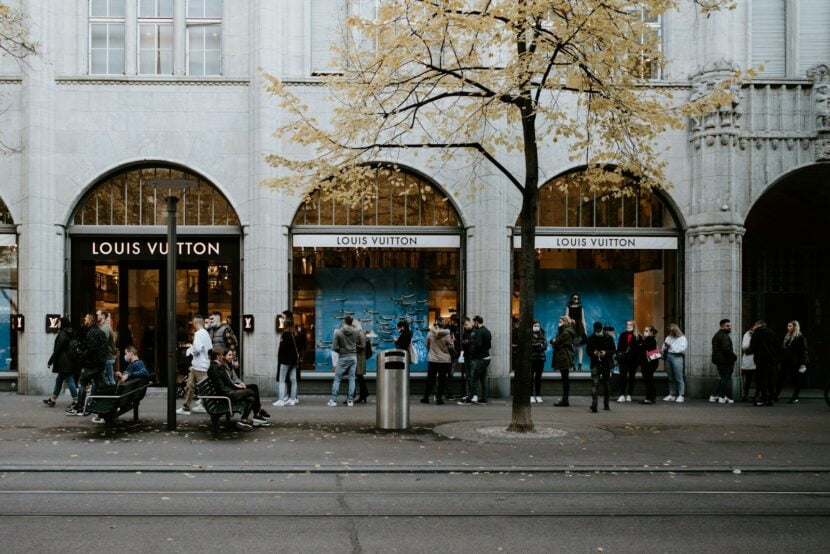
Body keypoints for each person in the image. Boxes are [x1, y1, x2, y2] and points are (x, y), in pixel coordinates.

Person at [207, 346, 268, 431]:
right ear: (217, 356)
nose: (222, 357)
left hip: (226, 393)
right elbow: (227, 383)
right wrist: (237, 387)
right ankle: (255, 415)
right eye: (221, 355)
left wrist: (237, 386)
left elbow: (227, 382)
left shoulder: (214, 366)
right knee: (251, 391)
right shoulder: (218, 367)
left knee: (251, 397)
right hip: (227, 394)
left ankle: (244, 420)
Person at [66, 313, 108, 416]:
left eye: (86, 319)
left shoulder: (91, 333)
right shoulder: (100, 332)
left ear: (90, 321)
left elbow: (91, 349)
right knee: (100, 385)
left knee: (83, 382)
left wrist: (81, 355)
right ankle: (105, 404)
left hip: (91, 364)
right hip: (99, 364)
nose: (84, 320)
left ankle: (80, 408)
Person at [177, 316, 212, 415]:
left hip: (199, 365)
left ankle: (202, 405)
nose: (193, 325)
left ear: (196, 323)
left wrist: (191, 350)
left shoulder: (198, 333)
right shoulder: (205, 333)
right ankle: (187, 407)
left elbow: (197, 348)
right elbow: (209, 347)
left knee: (197, 387)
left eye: (193, 323)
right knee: (190, 386)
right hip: (202, 364)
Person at [328, 315, 363, 407]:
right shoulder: (356, 332)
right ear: (351, 322)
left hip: (343, 357)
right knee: (352, 379)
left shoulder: (337, 332)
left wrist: (342, 350)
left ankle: (334, 400)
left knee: (337, 379)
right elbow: (358, 343)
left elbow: (334, 347)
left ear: (344, 321)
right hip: (353, 357)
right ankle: (350, 401)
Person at [44, 316, 78, 409]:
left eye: (59, 322)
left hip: (64, 362)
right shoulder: (71, 332)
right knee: (59, 380)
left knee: (70, 380)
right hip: (68, 360)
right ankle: (52, 399)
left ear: (63, 323)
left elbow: (58, 349)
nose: (58, 324)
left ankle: (76, 401)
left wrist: (50, 361)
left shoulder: (63, 334)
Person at [775, 320, 809, 404]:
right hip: (785, 361)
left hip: (795, 362)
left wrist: (803, 363)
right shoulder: (786, 337)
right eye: (788, 326)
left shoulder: (800, 338)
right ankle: (775, 395)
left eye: (790, 326)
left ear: (795, 327)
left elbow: (804, 351)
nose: (788, 328)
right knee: (780, 378)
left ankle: (795, 397)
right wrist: (780, 360)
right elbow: (783, 350)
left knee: (795, 380)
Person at [459, 315, 491, 404]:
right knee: (482, 377)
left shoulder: (479, 331)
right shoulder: (486, 331)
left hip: (477, 358)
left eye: (466, 324)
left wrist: (470, 344)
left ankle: (472, 396)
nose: (465, 326)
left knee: (474, 378)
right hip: (483, 357)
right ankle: (483, 397)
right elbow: (488, 345)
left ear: (476, 322)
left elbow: (478, 345)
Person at [586, 322, 615, 412]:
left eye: (599, 331)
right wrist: (593, 353)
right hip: (595, 363)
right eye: (596, 331)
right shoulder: (591, 338)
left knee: (606, 384)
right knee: (595, 383)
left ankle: (606, 404)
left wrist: (605, 352)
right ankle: (594, 404)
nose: (598, 332)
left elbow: (614, 350)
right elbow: (588, 351)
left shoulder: (609, 338)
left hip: (606, 363)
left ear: (602, 329)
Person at [422, 318, 453, 404]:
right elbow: (450, 346)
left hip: (433, 359)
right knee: (442, 380)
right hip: (444, 360)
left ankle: (426, 397)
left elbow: (426, 344)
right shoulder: (447, 334)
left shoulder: (430, 333)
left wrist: (432, 349)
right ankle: (439, 399)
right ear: (443, 324)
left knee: (430, 379)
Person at [749, 320, 777, 406]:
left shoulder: (756, 332)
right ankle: (771, 398)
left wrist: (749, 351)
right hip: (771, 358)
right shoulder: (771, 332)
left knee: (762, 379)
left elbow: (753, 346)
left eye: (756, 324)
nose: (755, 326)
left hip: (761, 358)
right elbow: (776, 345)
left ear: (759, 325)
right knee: (770, 379)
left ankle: (764, 398)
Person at [710, 319, 737, 404]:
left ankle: (714, 396)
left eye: (730, 325)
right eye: (727, 326)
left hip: (720, 360)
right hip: (725, 361)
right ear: (722, 326)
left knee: (723, 379)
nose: (729, 327)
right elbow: (726, 349)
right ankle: (722, 397)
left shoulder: (718, 335)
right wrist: (734, 356)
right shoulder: (723, 336)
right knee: (725, 379)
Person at [274, 318, 300, 407]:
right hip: (293, 361)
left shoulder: (285, 334)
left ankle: (281, 400)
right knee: (293, 380)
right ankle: (293, 399)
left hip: (285, 361)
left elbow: (282, 349)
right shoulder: (293, 334)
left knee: (282, 380)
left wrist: (279, 359)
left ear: (285, 325)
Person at [551, 315, 576, 407]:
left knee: (565, 379)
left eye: (560, 321)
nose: (559, 323)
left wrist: (553, 341)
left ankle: (565, 399)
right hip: (565, 356)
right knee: (565, 378)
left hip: (564, 357)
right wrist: (554, 341)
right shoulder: (566, 331)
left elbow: (556, 342)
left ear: (565, 322)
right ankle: (565, 398)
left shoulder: (566, 332)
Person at [616, 320, 642, 403]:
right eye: (627, 324)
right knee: (622, 377)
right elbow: (619, 347)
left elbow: (640, 350)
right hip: (623, 360)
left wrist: (638, 361)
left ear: (634, 326)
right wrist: (617, 358)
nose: (628, 326)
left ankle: (629, 395)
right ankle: (622, 394)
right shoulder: (623, 335)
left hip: (633, 360)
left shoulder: (638, 336)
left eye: (630, 324)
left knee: (631, 377)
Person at [662, 323, 687, 403]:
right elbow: (663, 347)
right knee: (670, 376)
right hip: (669, 356)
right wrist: (666, 346)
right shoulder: (669, 337)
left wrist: (671, 346)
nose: (671, 333)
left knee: (679, 376)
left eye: (672, 331)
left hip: (677, 357)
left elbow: (681, 349)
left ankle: (681, 395)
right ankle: (672, 394)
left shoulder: (682, 338)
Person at [565, 293, 586, 371]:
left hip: (580, 328)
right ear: (572, 299)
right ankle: (572, 364)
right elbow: (566, 319)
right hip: (571, 328)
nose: (576, 300)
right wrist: (570, 321)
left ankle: (580, 365)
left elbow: (583, 319)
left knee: (580, 347)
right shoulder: (568, 308)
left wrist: (585, 330)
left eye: (577, 298)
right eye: (574, 298)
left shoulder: (581, 308)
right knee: (572, 346)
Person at [640, 326, 660, 404]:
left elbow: (643, 348)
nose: (645, 332)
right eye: (644, 330)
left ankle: (650, 398)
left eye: (647, 330)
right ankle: (651, 397)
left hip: (649, 362)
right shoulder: (653, 339)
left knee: (648, 380)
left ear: (651, 332)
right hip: (652, 361)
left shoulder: (650, 339)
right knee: (649, 379)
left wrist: (640, 345)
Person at [96, 309, 116, 385]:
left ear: (103, 316)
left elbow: (102, 344)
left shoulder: (105, 328)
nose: (96, 316)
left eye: (97, 315)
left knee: (109, 378)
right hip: (106, 357)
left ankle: (114, 394)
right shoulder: (101, 327)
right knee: (107, 378)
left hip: (107, 358)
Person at [740, 323, 758, 402]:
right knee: (748, 379)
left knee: (759, 379)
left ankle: (757, 395)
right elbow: (744, 346)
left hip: (757, 359)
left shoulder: (760, 334)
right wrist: (753, 342)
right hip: (749, 359)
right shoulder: (747, 334)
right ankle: (746, 395)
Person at [530, 320, 547, 403]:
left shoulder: (542, 334)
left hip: (540, 359)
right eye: (535, 325)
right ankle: (530, 395)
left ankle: (538, 395)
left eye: (538, 325)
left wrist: (537, 346)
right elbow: (529, 346)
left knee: (538, 378)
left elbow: (545, 346)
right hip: (531, 359)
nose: (537, 327)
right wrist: (538, 345)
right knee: (530, 378)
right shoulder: (529, 334)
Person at [354, 320, 370, 404]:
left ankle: (363, 395)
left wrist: (353, 345)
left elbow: (363, 346)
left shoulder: (360, 333)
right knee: (359, 377)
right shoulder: (360, 333)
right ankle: (363, 395)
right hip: (359, 358)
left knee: (359, 377)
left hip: (359, 358)